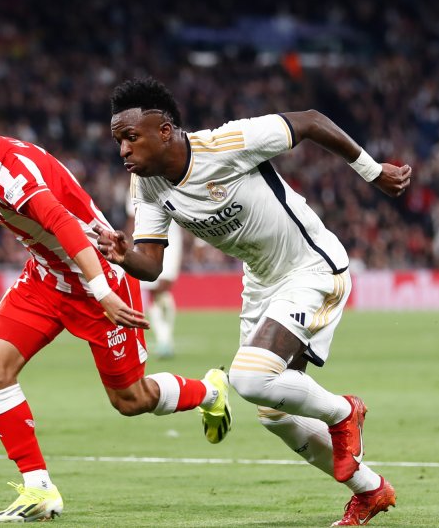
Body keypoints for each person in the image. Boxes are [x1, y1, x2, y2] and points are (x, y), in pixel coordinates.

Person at [0, 96, 231, 523]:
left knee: (130, 400)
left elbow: (63, 224)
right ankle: (38, 489)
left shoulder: (9, 172)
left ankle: (211, 392)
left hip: (99, 275)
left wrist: (102, 290)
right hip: (45, 278)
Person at [102, 77, 412, 527]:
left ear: (165, 130)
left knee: (248, 379)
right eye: (117, 142)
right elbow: (150, 264)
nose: (123, 151)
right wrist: (122, 253)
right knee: (273, 413)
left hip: (312, 267)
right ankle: (369, 490)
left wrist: (372, 171)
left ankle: (344, 411)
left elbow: (309, 122)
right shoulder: (148, 187)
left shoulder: (226, 143)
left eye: (131, 137)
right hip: (263, 283)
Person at [125, 190, 185, 358]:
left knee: (162, 288)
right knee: (154, 291)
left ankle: (165, 340)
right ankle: (164, 340)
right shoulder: (136, 185)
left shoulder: (169, 180)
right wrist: (129, 246)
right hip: (147, 242)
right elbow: (132, 217)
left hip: (171, 241)